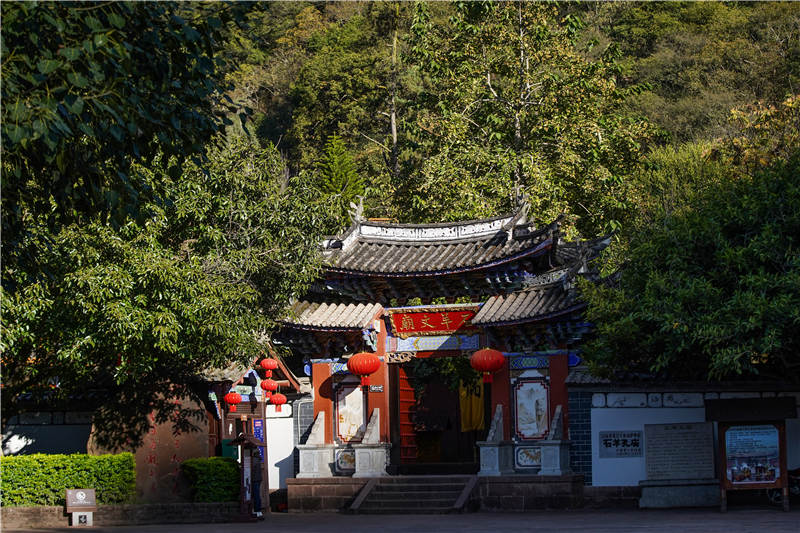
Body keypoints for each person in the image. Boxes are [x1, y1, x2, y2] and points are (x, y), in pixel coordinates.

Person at [252, 451, 263, 518]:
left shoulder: (254, 460)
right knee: (257, 495)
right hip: (258, 479)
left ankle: (257, 510)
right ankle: (258, 510)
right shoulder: (258, 459)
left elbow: (251, 469)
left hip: (254, 479)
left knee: (256, 495)